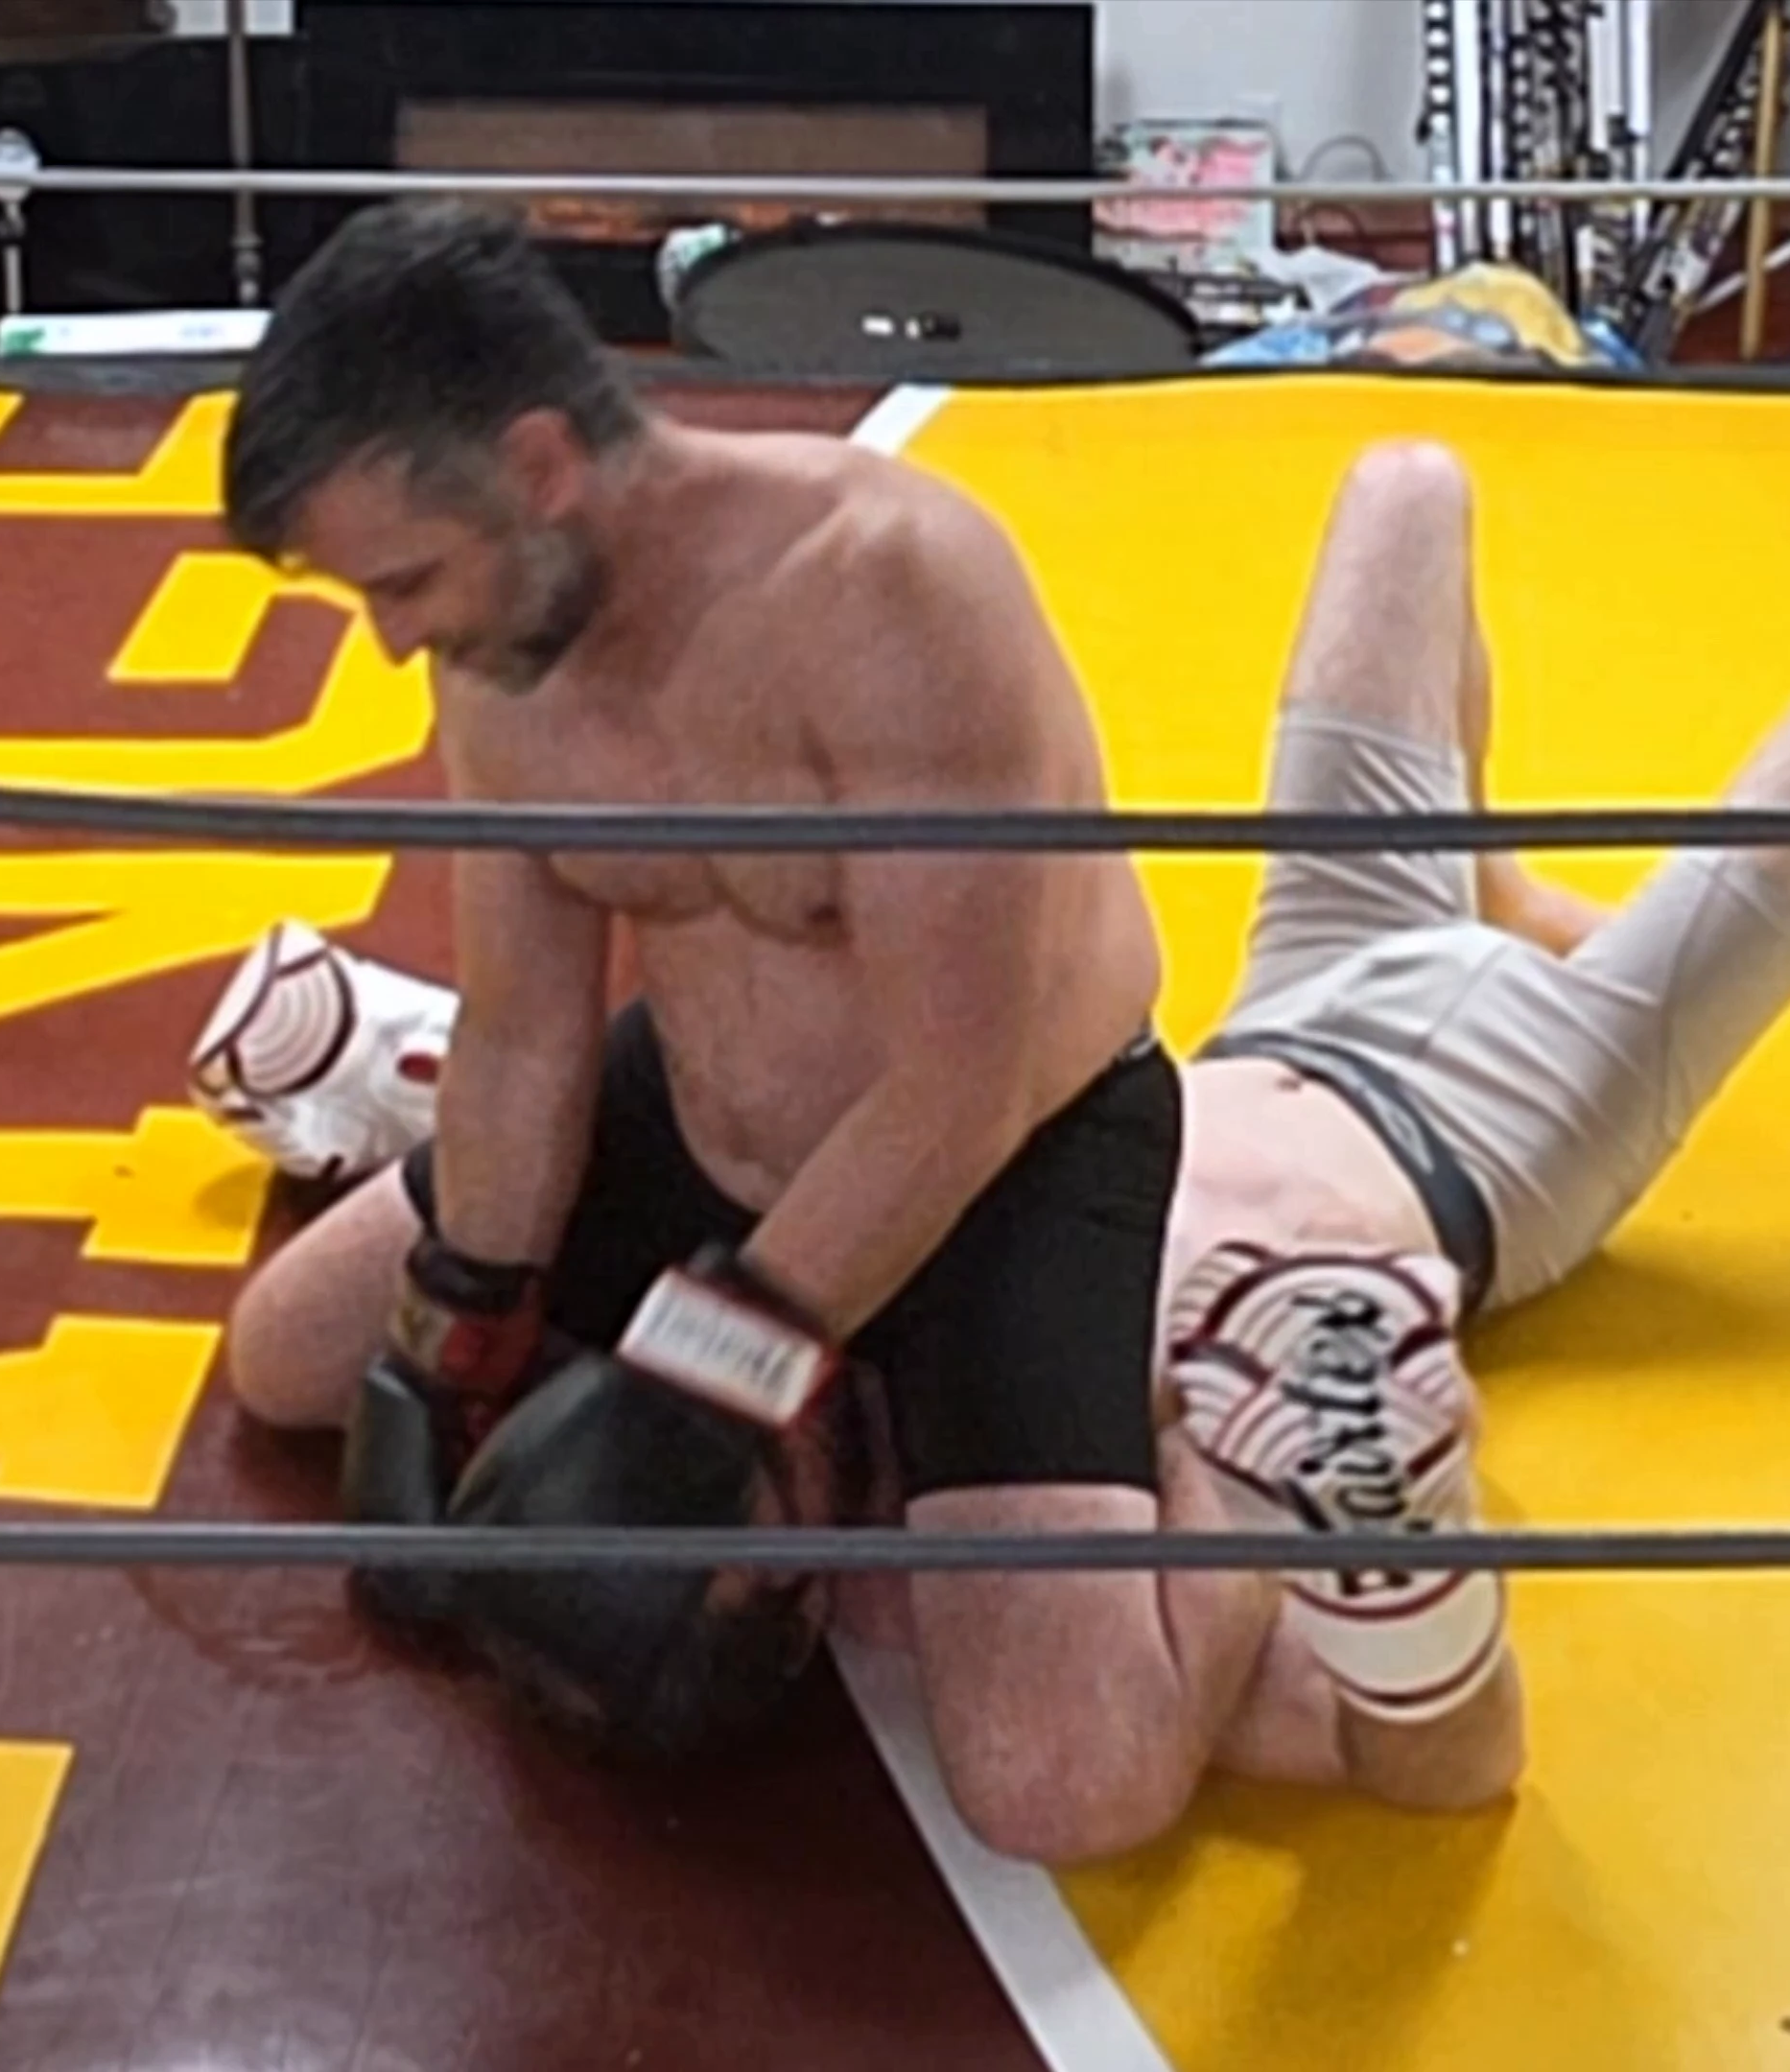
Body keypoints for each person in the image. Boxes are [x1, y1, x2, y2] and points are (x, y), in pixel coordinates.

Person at [202, 426, 1790, 1853]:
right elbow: (1431, 1760)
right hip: (1504, 1129)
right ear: (800, 1584)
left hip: (1286, 993)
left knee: (1405, 475)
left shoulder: (884, 1355)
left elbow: (820, 1109)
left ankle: (1486, 869)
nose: (760, 1437)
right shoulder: (1103, 1520)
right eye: (758, 1488)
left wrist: (488, 1278)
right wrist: (1395, 1545)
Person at [215, 198, 1269, 1849]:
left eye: (406, 580)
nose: (397, 636)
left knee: (1067, 1786)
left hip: (1002, 1166)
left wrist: (705, 1374)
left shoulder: (889, 591)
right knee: (292, 1357)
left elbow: (961, 1087)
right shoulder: (503, 645)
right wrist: (462, 1326)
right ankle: (840, 1426)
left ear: (540, 466)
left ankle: (1249, 1437)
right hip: (709, 1121)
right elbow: (529, 1033)